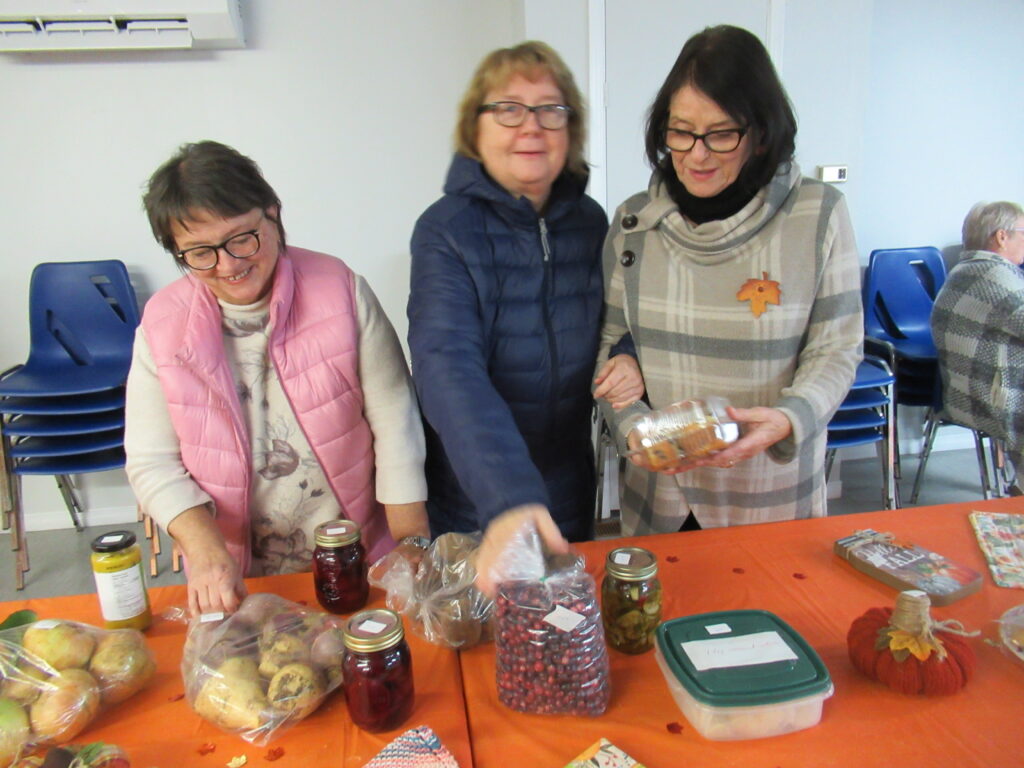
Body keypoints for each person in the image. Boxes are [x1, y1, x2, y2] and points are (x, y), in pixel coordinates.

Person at [126, 140, 430, 616]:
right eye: (200, 252)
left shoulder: (340, 288)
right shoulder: (162, 324)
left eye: (242, 238)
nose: (228, 265)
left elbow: (394, 417)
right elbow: (150, 461)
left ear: (273, 213)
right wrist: (205, 551)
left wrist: (413, 538)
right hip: (235, 571)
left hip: (354, 553)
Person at [595, 25, 863, 535]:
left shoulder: (817, 214)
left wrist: (788, 419)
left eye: (720, 134)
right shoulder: (635, 223)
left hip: (769, 492)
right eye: (681, 131)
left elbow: (837, 349)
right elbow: (611, 347)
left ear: (760, 133)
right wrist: (633, 430)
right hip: (662, 498)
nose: (697, 154)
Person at [407, 41, 642, 551]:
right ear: (476, 128)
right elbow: (446, 368)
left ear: (570, 130)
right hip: (478, 495)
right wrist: (509, 498)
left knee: (562, 624)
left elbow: (620, 318)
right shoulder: (444, 230)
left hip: (570, 486)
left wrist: (627, 355)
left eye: (550, 110)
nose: (531, 126)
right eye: (508, 109)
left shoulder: (591, 221)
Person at [931, 201, 1024, 480]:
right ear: (1001, 236)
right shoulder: (996, 280)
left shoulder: (965, 271)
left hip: (966, 395)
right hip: (995, 402)